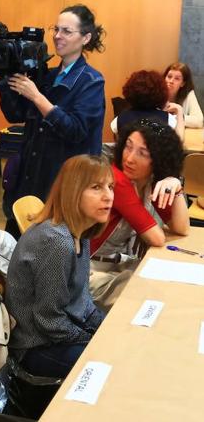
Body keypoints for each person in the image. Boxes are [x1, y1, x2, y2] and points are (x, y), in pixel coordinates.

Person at [5, 154, 111, 417]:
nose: (108, 196)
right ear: (73, 191)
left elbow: (82, 301)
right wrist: (93, 340)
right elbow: (49, 321)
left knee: (116, 344)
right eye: (96, 187)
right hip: (36, 346)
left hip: (57, 335)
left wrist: (106, 328)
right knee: (109, 368)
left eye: (110, 187)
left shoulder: (81, 233)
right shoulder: (56, 242)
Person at [0, 4, 106, 239]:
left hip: (63, 186)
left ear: (86, 38)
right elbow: (16, 115)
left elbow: (75, 130)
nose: (57, 36)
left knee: (53, 255)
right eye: (56, 29)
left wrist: (37, 97)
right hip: (32, 177)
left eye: (67, 31)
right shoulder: (47, 76)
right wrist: (6, 82)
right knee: (19, 252)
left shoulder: (91, 82)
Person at [90, 119, 189, 310]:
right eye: (128, 147)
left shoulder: (147, 181)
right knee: (158, 299)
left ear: (159, 159)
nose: (129, 158)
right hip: (90, 274)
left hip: (117, 266)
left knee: (169, 289)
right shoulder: (116, 180)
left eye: (142, 153)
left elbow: (181, 227)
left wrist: (174, 184)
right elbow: (157, 238)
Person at [110, 70, 185, 140]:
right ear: (160, 93)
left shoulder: (119, 119)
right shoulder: (168, 119)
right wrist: (180, 111)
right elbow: (179, 141)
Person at [164, 62, 203, 128]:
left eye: (177, 79)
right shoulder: (156, 92)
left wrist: (177, 116)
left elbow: (199, 121)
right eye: (169, 77)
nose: (171, 81)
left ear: (182, 83)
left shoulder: (188, 95)